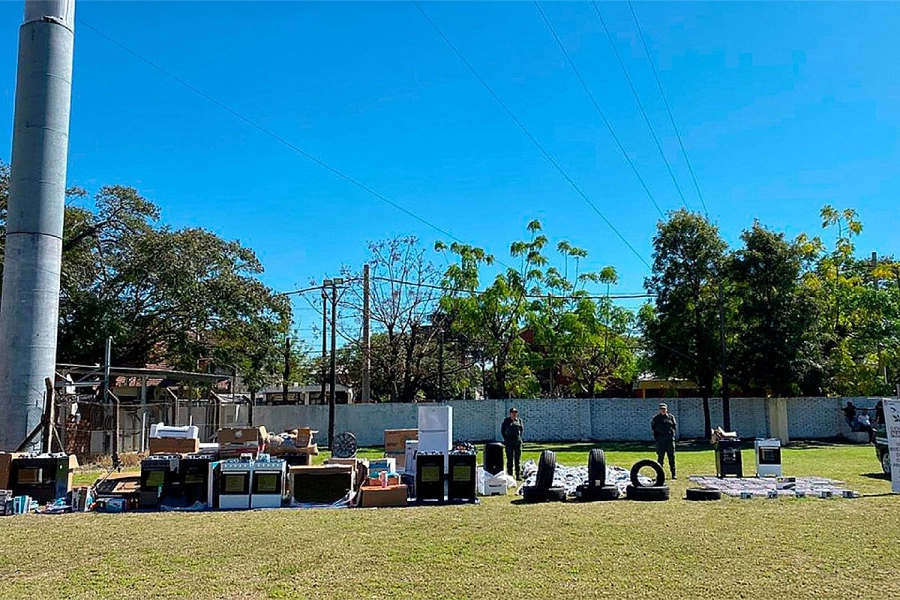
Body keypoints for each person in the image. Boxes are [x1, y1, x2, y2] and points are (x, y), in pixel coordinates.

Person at [651, 402, 677, 479]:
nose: (663, 410)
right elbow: (653, 428)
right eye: (661, 409)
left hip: (669, 440)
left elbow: (674, 426)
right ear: (659, 410)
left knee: (671, 457)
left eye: (664, 409)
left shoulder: (671, 417)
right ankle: (659, 475)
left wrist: (671, 435)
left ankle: (673, 474)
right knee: (660, 458)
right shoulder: (656, 418)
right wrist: (657, 439)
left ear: (667, 409)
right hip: (660, 440)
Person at [501, 408, 524, 480]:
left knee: (517, 459)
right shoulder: (506, 421)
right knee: (509, 459)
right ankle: (510, 475)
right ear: (510, 413)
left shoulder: (519, 421)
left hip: (517, 442)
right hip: (509, 442)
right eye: (513, 412)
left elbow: (521, 430)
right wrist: (506, 439)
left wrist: (519, 438)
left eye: (515, 412)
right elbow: (503, 430)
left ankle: (518, 475)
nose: (514, 414)